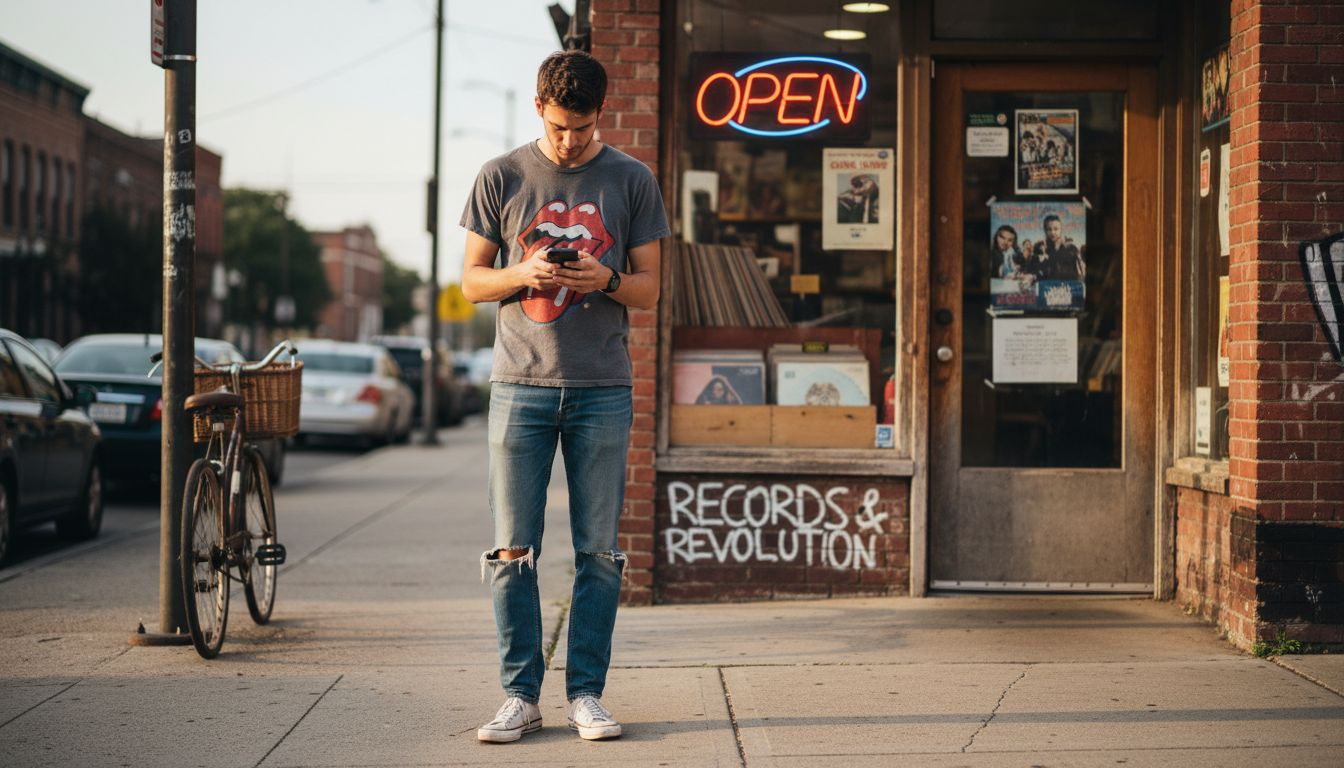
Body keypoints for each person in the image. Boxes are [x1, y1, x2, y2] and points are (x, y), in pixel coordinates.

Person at [459, 50, 670, 744]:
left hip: (602, 387)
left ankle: (586, 694)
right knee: (511, 551)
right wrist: (523, 272)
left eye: (580, 129)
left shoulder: (632, 179)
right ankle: (520, 695)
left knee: (599, 554)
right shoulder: (502, 175)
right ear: (539, 110)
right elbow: (470, 282)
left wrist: (601, 280)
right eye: (557, 128)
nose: (568, 142)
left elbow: (648, 289)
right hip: (519, 385)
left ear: (599, 115)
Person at [1031, 213, 1085, 281]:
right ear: (1045, 230)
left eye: (1056, 229)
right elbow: (1034, 271)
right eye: (1049, 229)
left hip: (1068, 287)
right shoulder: (1039, 249)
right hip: (1047, 287)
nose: (1053, 232)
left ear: (1061, 230)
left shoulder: (1071, 249)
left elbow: (1080, 271)